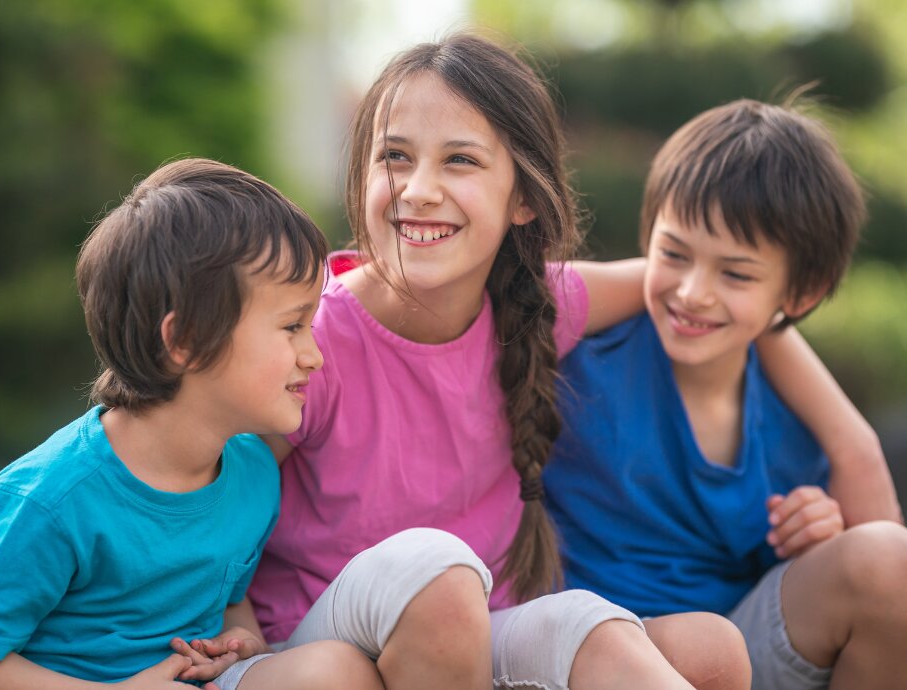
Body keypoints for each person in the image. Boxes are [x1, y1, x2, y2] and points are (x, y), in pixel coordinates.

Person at [252, 33, 754, 690]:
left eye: (460, 160)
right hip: (315, 648)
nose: (421, 189)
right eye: (395, 157)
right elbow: (208, 498)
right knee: (438, 577)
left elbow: (694, 292)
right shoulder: (311, 337)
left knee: (708, 649)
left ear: (523, 199)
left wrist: (844, 431)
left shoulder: (535, 305)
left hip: (480, 640)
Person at [0, 158, 489, 690]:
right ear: (184, 340)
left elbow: (231, 601)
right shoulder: (47, 502)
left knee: (338, 671)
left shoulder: (253, 472)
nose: (315, 357)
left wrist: (242, 640)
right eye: (292, 326)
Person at [545, 98, 907, 690]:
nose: (693, 292)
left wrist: (815, 535)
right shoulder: (589, 353)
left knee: (887, 558)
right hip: (583, 647)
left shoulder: (795, 424)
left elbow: (805, 573)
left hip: (732, 653)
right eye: (674, 254)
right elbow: (511, 298)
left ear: (802, 292)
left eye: (735, 274)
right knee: (698, 649)